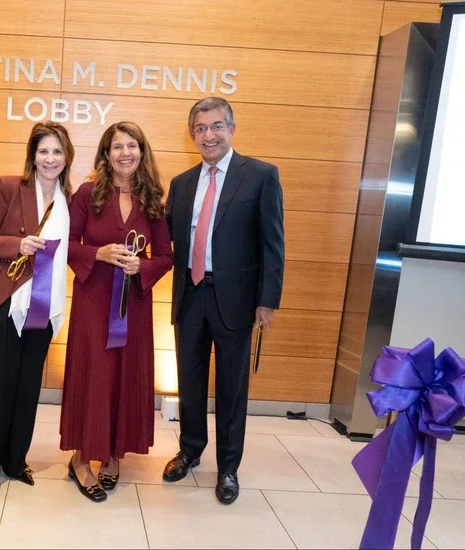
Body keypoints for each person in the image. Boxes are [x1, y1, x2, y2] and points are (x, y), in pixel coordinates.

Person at [163, 97, 285, 505]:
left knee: (232, 389)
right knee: (190, 381)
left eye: (216, 126)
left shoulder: (261, 176)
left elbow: (273, 244)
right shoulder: (181, 184)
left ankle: (229, 467)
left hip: (235, 300)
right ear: (192, 134)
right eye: (200, 128)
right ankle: (190, 450)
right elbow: (164, 238)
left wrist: (267, 301)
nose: (208, 135)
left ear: (231, 128)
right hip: (191, 294)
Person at [60, 121, 173, 502]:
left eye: (132, 145)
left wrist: (144, 267)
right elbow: (65, 244)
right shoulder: (88, 194)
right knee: (93, 375)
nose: (125, 153)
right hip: (93, 300)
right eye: (117, 147)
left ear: (142, 151)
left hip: (136, 306)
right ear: (106, 154)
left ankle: (112, 453)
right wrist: (98, 254)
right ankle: (79, 458)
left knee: (125, 377)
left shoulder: (153, 199)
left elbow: (167, 256)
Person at [0, 122, 74, 499]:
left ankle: (15, 461)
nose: (50, 158)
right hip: (1, 305)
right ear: (32, 155)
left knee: (27, 389)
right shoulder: (10, 187)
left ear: (66, 157)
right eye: (43, 151)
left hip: (43, 311)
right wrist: (17, 243)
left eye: (57, 151)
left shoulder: (70, 200)